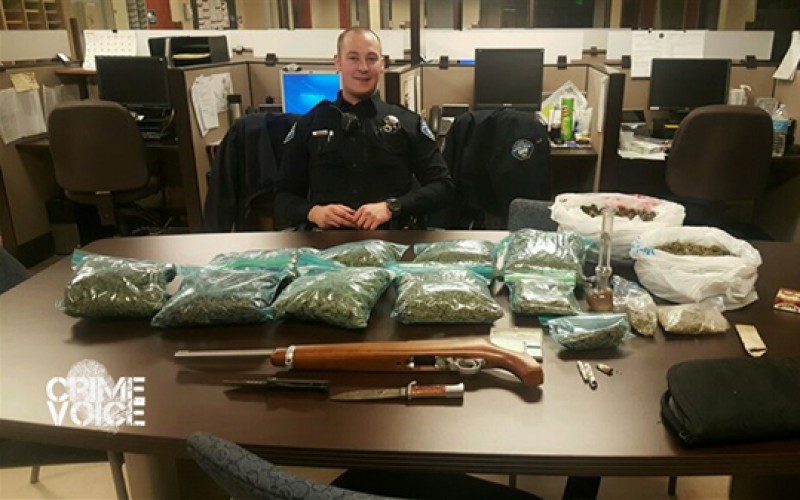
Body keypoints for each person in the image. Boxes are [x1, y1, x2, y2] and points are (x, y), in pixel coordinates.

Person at [275, 27, 453, 230]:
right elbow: (282, 197)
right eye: (353, 58)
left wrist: (393, 207)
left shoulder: (407, 123)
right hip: (328, 241)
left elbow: (443, 187)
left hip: (393, 239)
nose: (363, 68)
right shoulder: (310, 125)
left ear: (382, 65)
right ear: (338, 62)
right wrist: (313, 212)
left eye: (371, 59)